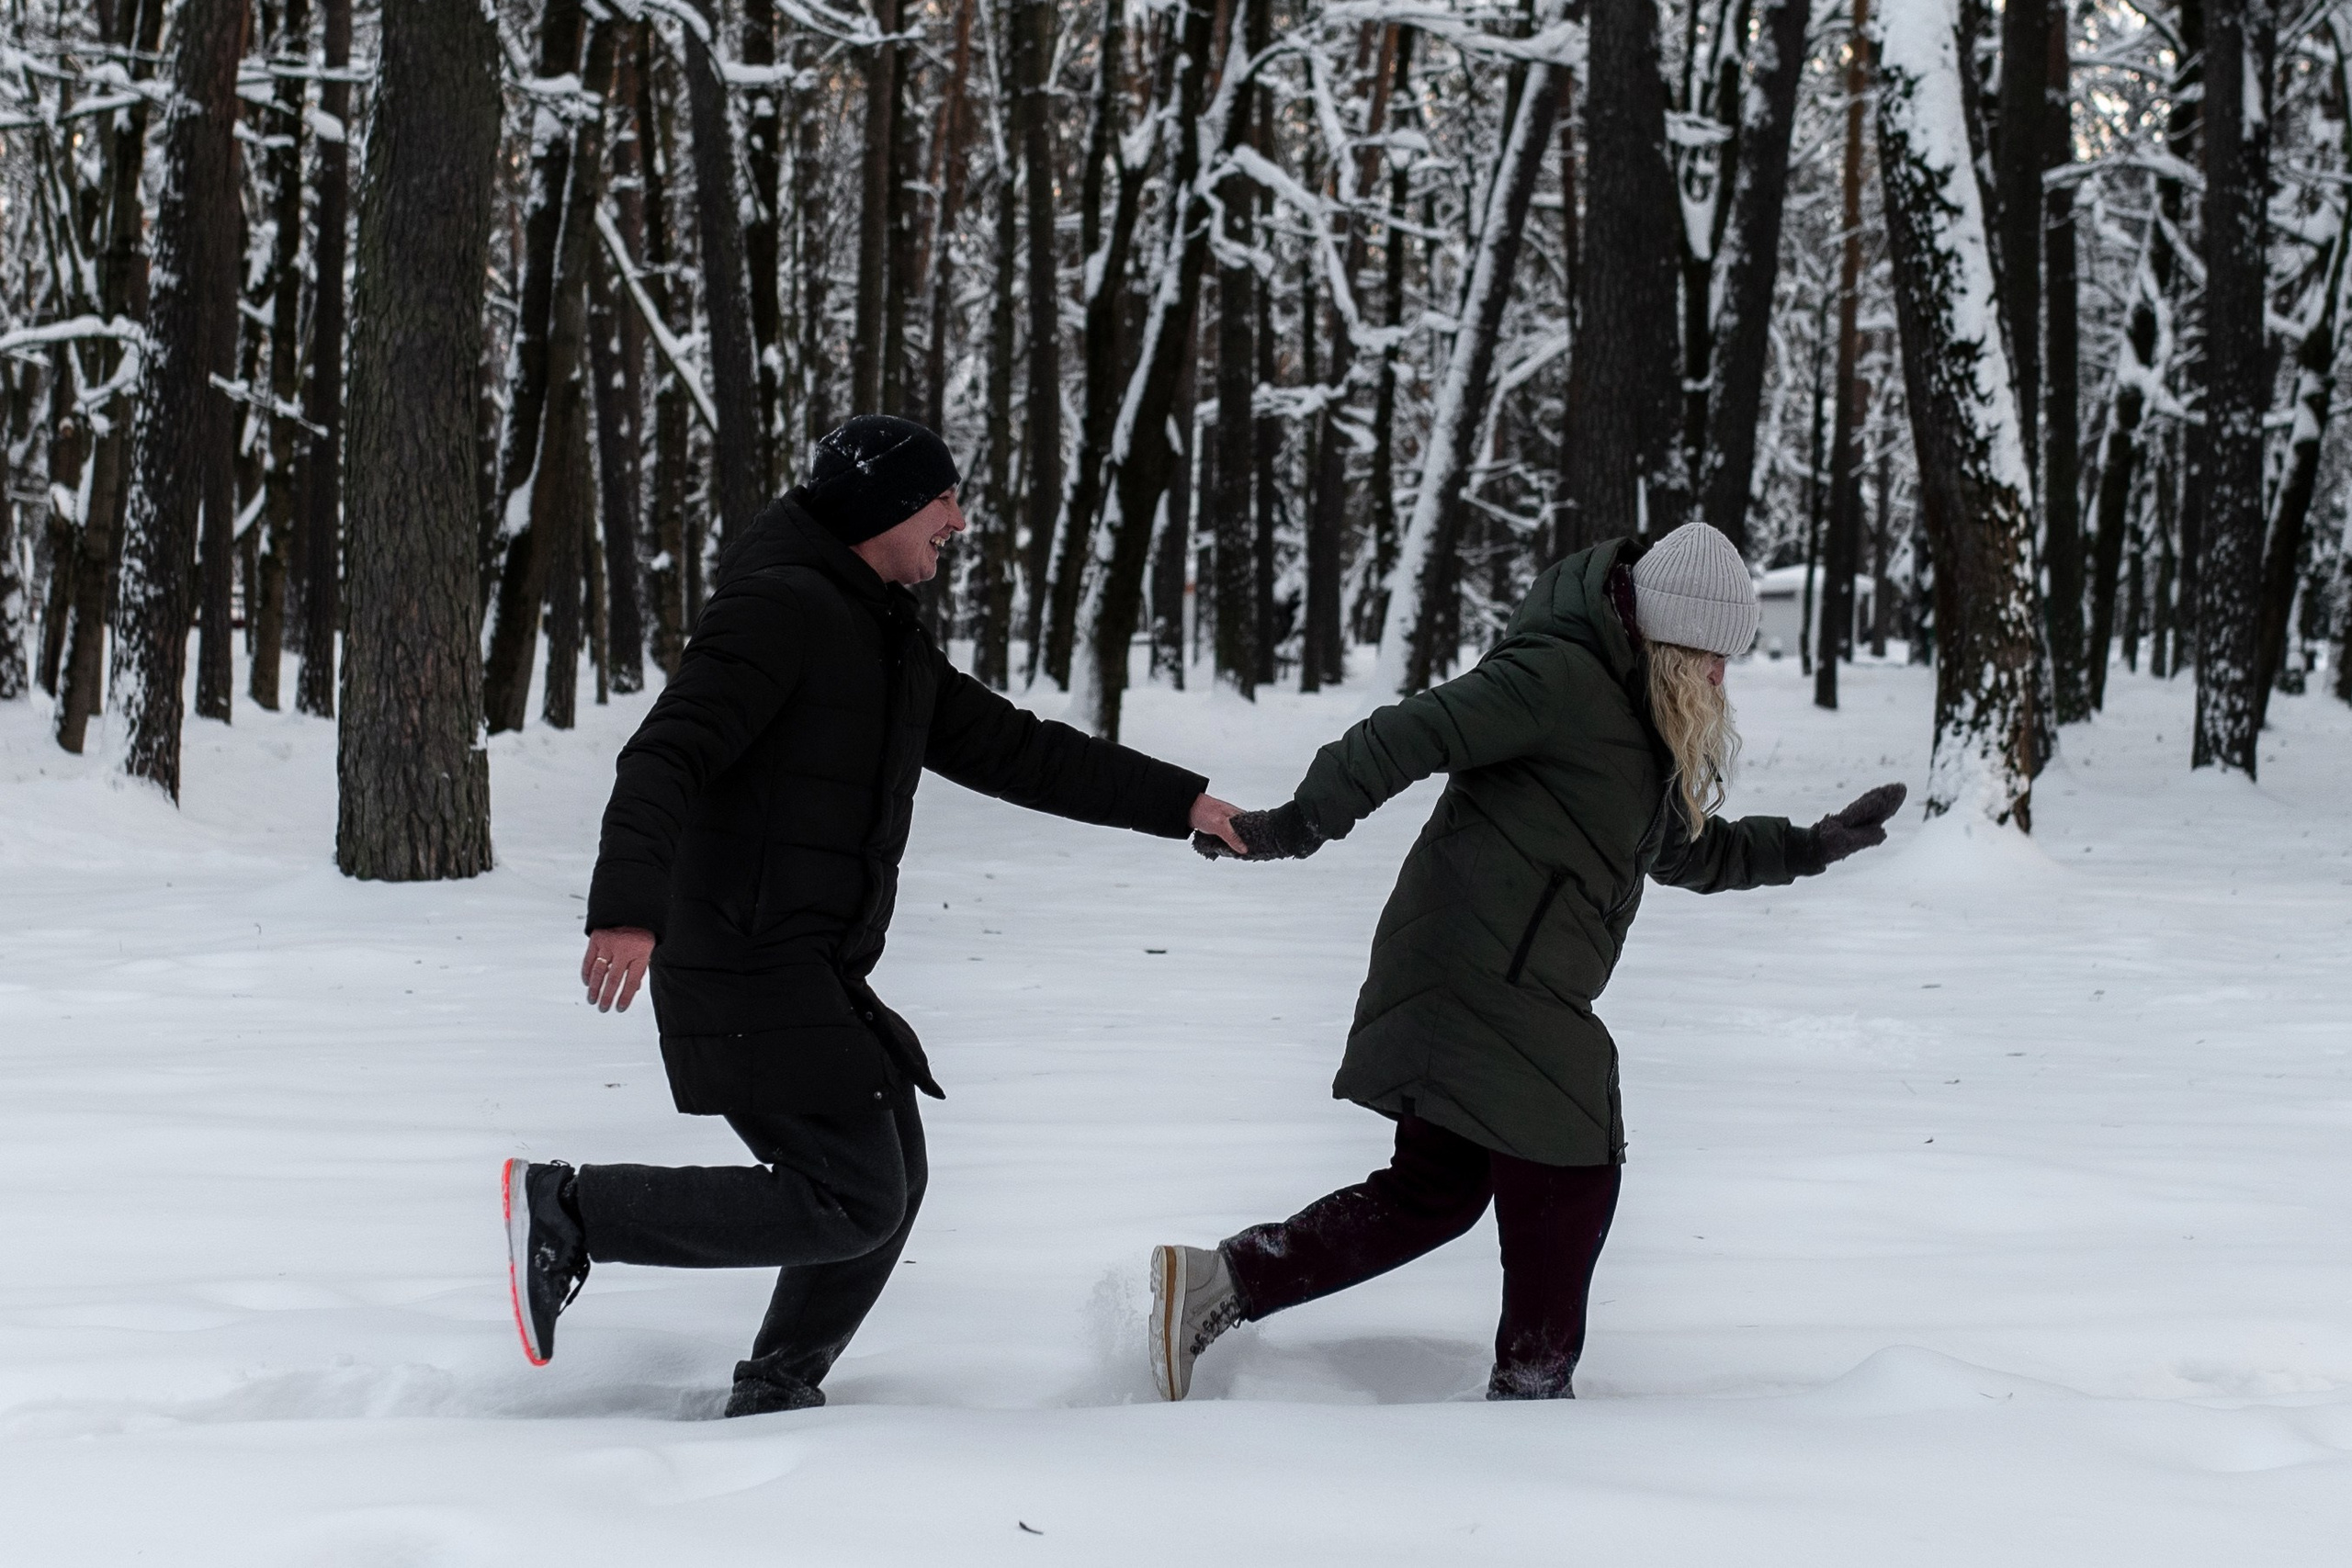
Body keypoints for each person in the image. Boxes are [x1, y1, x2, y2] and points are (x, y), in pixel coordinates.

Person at [502, 415, 1247, 1416]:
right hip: (741, 954)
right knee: (856, 1194)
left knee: (888, 1173)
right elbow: (663, 754)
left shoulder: (876, 634)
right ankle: (571, 1209)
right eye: (941, 499)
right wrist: (626, 910)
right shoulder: (780, 612)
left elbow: (1016, 750)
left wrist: (1181, 806)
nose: (958, 519)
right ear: (882, 507)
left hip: (802, 957)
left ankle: (777, 1383)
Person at [1151, 520, 1905, 1403]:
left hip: (1490, 971)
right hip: (1477, 968)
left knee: (1438, 1188)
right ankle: (1532, 1392)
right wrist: (1294, 825)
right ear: (1672, 638)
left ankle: (1218, 1282)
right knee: (1577, 1155)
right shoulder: (1557, 679)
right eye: (1713, 657)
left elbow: (1688, 851)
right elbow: (1408, 731)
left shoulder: (1636, 718)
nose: (1719, 679)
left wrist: (1809, 846)